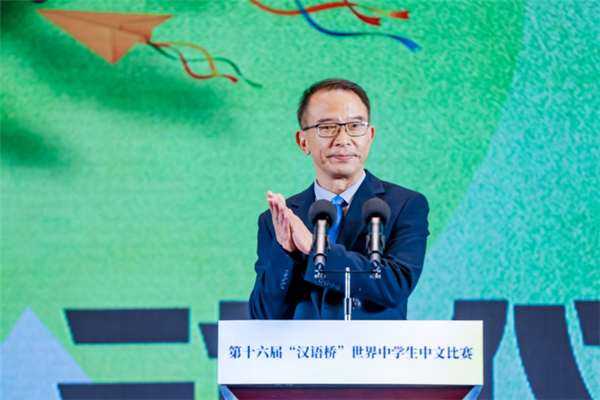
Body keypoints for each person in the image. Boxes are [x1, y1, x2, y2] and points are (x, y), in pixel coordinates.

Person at [249, 79, 429, 320]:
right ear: (303, 141)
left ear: (369, 136)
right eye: (327, 127)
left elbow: (394, 286)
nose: (343, 139)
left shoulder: (404, 205)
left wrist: (315, 248)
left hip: (374, 345)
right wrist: (286, 252)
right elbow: (263, 314)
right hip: (304, 346)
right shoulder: (279, 219)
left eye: (355, 126)